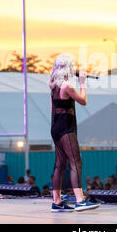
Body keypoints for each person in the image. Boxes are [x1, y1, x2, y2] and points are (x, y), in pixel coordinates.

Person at [48, 55, 100, 213]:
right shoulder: (67, 86)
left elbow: (53, 106)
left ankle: (56, 202)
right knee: (76, 162)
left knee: (60, 164)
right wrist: (83, 83)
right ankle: (80, 200)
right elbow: (83, 101)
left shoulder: (53, 85)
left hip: (56, 126)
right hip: (66, 127)